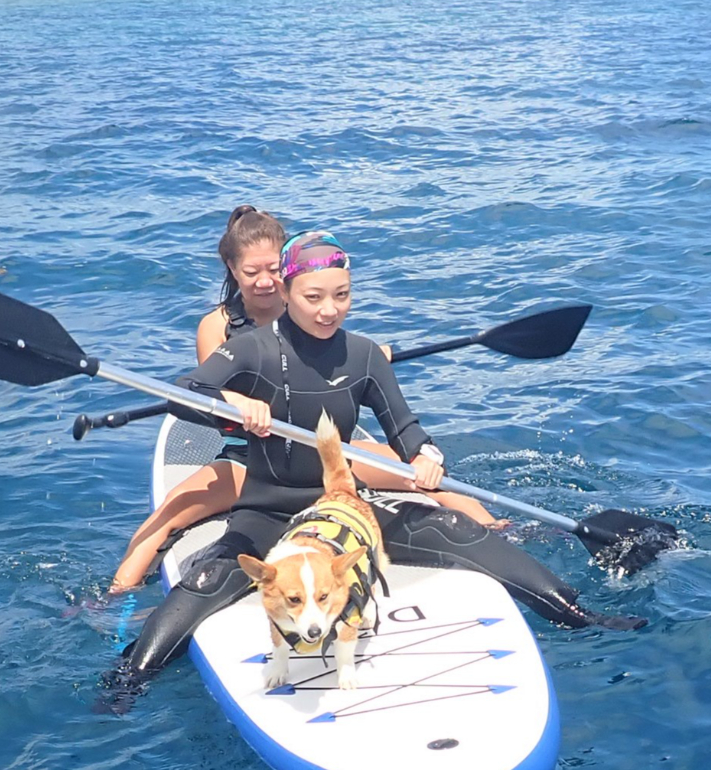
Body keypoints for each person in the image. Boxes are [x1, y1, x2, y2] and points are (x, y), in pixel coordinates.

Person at [119, 230, 649, 679]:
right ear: (285, 290)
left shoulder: (365, 354)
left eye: (342, 295)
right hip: (270, 511)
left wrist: (426, 454)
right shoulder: (254, 347)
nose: (330, 310)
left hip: (345, 504)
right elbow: (185, 393)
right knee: (208, 580)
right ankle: (127, 678)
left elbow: (405, 427)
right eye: (314, 297)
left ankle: (580, 614)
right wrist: (230, 402)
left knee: (460, 530)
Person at [111, 207, 500, 591]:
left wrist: (365, 362)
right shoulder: (217, 327)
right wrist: (236, 402)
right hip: (253, 462)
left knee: (427, 477)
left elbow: (340, 364)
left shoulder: (311, 304)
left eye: (273, 270)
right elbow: (207, 400)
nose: (264, 281)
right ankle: (117, 596)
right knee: (168, 515)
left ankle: (502, 534)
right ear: (232, 268)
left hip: (327, 451)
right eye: (251, 272)